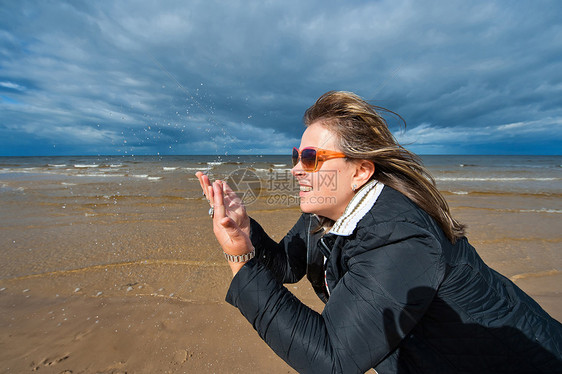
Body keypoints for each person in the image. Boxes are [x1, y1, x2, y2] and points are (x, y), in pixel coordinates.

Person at [196, 91, 562, 373]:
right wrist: (245, 233)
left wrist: (240, 261)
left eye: (310, 158)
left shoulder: (398, 236)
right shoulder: (325, 215)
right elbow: (286, 266)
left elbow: (333, 359)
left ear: (360, 172)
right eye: (296, 156)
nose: (295, 170)